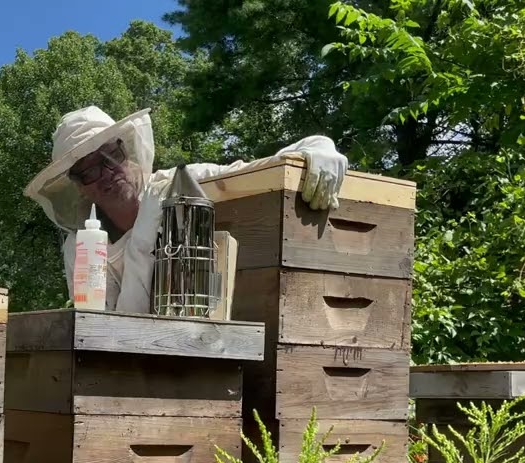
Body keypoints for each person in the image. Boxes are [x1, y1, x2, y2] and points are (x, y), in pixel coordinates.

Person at [24, 105, 349, 313]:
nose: (107, 173)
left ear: (127, 151)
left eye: (111, 156)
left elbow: (252, 172)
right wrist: (141, 244)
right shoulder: (82, 248)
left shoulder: (177, 184)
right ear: (78, 184)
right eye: (89, 170)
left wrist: (316, 148)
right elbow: (107, 332)